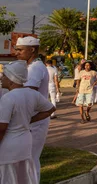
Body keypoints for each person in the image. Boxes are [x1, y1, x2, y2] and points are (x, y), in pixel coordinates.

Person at [0, 61, 55, 184]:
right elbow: (51, 108)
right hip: (25, 141)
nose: (1, 78)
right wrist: (29, 120)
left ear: (12, 80)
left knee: (7, 176)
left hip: (9, 144)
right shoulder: (32, 94)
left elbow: (2, 129)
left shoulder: (8, 98)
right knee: (23, 175)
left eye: (4, 75)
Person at [14, 36, 50, 179]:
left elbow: (28, 95)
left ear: (32, 50)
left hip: (35, 121)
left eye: (20, 50)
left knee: (29, 160)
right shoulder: (30, 66)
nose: (16, 52)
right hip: (30, 120)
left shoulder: (35, 68)